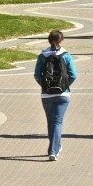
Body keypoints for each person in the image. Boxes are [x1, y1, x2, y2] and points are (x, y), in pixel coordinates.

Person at [34, 30, 77, 160]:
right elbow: (73, 75)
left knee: (51, 121)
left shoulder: (42, 56)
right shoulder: (66, 55)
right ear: (61, 41)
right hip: (63, 94)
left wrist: (45, 86)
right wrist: (65, 86)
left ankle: (53, 147)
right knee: (57, 122)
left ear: (49, 40)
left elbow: (36, 75)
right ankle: (54, 150)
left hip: (46, 95)